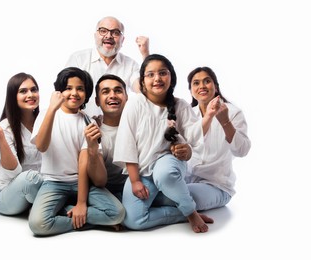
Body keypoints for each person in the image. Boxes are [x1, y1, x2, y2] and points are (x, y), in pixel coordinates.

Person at [113, 54, 213, 233]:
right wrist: (135, 180)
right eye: (150, 74)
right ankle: (180, 212)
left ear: (171, 77)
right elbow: (126, 143)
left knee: (164, 173)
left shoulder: (180, 106)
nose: (157, 78)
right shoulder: (135, 104)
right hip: (141, 171)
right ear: (142, 81)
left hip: (168, 164)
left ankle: (190, 211)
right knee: (133, 220)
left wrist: (187, 151)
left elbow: (194, 139)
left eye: (162, 73)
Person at [28, 67, 125, 236]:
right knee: (38, 224)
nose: (74, 93)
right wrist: (51, 109)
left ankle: (69, 211)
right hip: (53, 183)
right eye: (68, 88)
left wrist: (81, 203)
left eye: (80, 89)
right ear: (59, 92)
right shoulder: (46, 114)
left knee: (117, 213)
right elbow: (42, 146)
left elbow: (83, 163)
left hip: (82, 184)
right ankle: (84, 221)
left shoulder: (88, 122)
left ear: (86, 94)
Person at [185, 66, 251, 210]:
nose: (202, 86)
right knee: (172, 194)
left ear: (215, 86)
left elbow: (242, 151)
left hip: (216, 186)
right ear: (191, 90)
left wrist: (225, 121)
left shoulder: (233, 112)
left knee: (185, 197)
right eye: (196, 83)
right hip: (186, 180)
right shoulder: (188, 114)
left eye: (207, 81)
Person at [65, 16, 150, 117]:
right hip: (82, 127)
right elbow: (65, 94)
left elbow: (144, 91)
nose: (109, 36)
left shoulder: (130, 65)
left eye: (115, 32)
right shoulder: (78, 59)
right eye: (103, 31)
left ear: (122, 40)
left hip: (118, 128)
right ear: (95, 35)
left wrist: (146, 55)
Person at [0, 72, 43, 216]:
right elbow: (14, 172)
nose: (30, 94)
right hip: (7, 195)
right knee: (30, 178)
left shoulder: (44, 122)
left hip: (36, 191)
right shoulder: (5, 127)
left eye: (33, 89)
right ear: (13, 97)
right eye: (23, 91)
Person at [94, 74, 129, 201]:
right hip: (103, 190)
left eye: (118, 91)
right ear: (97, 101)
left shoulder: (137, 126)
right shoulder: (93, 129)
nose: (113, 95)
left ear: (126, 97)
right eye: (105, 91)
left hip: (132, 187)